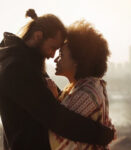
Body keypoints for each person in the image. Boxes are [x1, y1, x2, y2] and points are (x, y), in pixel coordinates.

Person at [0, 9, 114, 150]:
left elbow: (57, 105)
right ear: (38, 36)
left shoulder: (28, 65)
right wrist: (102, 135)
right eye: (53, 48)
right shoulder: (17, 68)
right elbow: (55, 117)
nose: (52, 55)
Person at [48, 20, 116, 150]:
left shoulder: (87, 93)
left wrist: (52, 101)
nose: (55, 59)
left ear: (77, 61)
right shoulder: (78, 87)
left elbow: (57, 134)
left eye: (61, 54)